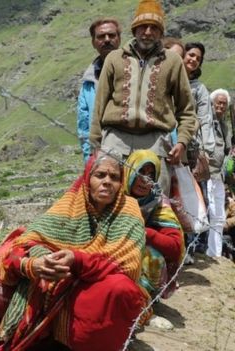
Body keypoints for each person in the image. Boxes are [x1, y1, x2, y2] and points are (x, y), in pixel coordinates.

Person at [0, 152, 147, 351]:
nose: (107, 182)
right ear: (87, 179)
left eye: (115, 177)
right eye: (100, 175)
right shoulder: (70, 204)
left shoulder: (129, 208)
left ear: (121, 184)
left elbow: (128, 263)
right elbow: (27, 242)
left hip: (97, 281)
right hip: (60, 277)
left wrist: (77, 260)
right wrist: (41, 260)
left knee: (120, 288)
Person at [89, 0, 197, 196]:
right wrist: (96, 144)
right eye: (143, 26)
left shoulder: (173, 62)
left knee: (154, 202)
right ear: (134, 29)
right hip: (115, 140)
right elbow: (99, 105)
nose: (147, 32)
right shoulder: (114, 58)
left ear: (161, 32)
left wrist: (182, 142)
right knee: (108, 199)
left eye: (154, 28)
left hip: (155, 142)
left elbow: (186, 110)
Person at [123, 150, 184, 301]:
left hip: (138, 252)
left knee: (153, 257)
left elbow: (176, 246)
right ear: (129, 171)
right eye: (141, 172)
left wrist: (146, 234)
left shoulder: (157, 202)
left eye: (151, 175)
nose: (145, 180)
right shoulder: (114, 194)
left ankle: (141, 300)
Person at [77, 18, 121, 163]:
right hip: (100, 154)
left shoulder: (135, 70)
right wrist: (88, 158)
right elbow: (84, 126)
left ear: (119, 39)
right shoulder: (88, 82)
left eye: (111, 35)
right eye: (101, 36)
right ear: (93, 42)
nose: (107, 40)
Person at [202, 88, 232, 257]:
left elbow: (227, 149)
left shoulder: (225, 125)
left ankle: (215, 252)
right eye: (218, 103)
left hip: (219, 175)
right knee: (207, 210)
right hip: (206, 173)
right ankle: (201, 249)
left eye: (224, 104)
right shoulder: (205, 121)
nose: (221, 106)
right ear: (211, 104)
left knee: (218, 215)